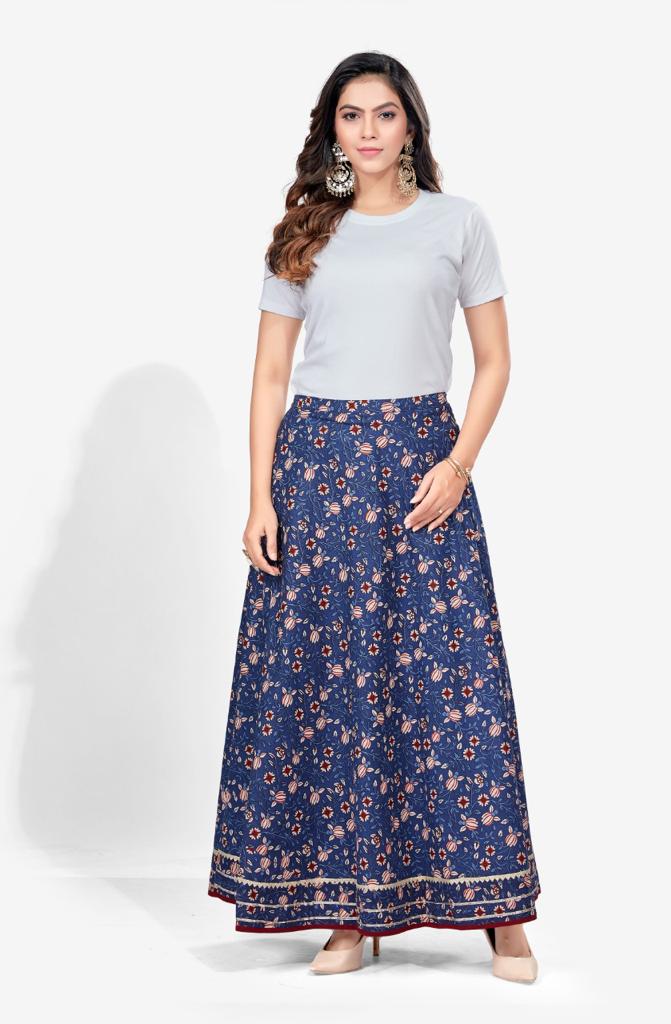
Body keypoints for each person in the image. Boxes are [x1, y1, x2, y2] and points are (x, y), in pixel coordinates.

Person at [208, 51, 542, 983]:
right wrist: (261, 496)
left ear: (409, 126)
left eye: (383, 114)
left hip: (422, 470)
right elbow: (270, 375)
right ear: (332, 130)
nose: (367, 130)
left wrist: (459, 464)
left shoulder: (457, 223)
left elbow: (495, 361)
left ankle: (501, 915)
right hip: (317, 470)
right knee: (334, 692)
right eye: (350, 115)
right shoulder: (305, 232)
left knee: (457, 686)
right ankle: (350, 914)